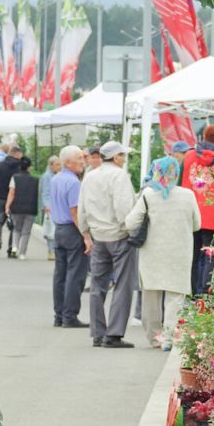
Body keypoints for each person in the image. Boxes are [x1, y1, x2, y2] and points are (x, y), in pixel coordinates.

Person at [127, 157, 200, 350]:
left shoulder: (148, 194)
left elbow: (130, 223)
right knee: (175, 297)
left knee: (151, 296)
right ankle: (169, 338)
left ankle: (154, 338)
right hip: (179, 253)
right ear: (176, 173)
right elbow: (197, 224)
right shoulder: (188, 195)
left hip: (152, 254)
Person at [77, 140, 139, 348]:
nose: (124, 159)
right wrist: (131, 229)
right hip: (119, 235)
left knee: (97, 284)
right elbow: (122, 206)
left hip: (98, 235)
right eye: (122, 155)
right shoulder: (119, 175)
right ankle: (113, 334)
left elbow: (82, 207)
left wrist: (85, 232)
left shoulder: (90, 175)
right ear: (116, 157)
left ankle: (97, 331)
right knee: (122, 284)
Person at [182, 123, 214, 294]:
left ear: (204, 137)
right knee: (211, 254)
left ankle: (192, 293)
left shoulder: (189, 156)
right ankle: (206, 293)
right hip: (213, 216)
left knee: (192, 255)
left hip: (190, 213)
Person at [50, 146, 88, 329]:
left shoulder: (56, 178)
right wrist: (86, 236)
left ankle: (59, 314)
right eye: (79, 158)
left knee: (60, 274)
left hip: (59, 229)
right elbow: (75, 212)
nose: (83, 161)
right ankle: (70, 315)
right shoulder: (74, 183)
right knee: (76, 274)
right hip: (73, 230)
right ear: (68, 162)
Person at [0, 144, 24, 257]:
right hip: (15, 199)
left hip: (0, 197)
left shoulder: (0, 166)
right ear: (17, 154)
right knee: (14, 225)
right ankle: (11, 248)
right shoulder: (21, 167)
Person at [4, 156, 40, 259]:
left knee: (16, 229)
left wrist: (7, 206)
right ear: (29, 167)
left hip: (17, 207)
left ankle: (14, 247)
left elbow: (12, 193)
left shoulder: (15, 178)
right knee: (26, 232)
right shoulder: (35, 180)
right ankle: (22, 253)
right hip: (31, 209)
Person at [38, 155, 61, 260]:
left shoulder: (57, 175)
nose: (59, 166)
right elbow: (45, 192)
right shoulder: (47, 176)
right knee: (51, 230)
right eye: (57, 164)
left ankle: (53, 250)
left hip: (56, 206)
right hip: (50, 207)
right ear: (51, 166)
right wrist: (47, 205)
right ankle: (51, 251)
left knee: (54, 230)